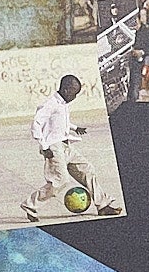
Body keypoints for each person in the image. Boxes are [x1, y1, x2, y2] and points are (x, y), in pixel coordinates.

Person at [20, 75, 117, 222]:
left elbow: (59, 122)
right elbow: (36, 124)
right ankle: (30, 205)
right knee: (60, 180)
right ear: (66, 90)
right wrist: (44, 146)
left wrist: (75, 128)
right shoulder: (50, 104)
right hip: (54, 148)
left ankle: (103, 205)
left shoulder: (63, 103)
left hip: (66, 146)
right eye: (74, 93)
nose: (75, 97)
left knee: (87, 170)